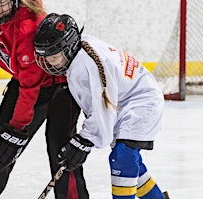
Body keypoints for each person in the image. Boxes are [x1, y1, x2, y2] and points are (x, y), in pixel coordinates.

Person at [0, 0, 89, 198]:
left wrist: (15, 132)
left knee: (62, 153)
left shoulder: (29, 27)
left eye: (0, 2)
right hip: (24, 83)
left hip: (60, 89)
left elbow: (30, 89)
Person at [33, 13, 170, 199]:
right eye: (46, 55)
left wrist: (85, 140)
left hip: (140, 102)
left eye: (54, 55)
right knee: (131, 166)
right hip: (127, 99)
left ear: (69, 46)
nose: (50, 61)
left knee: (122, 159)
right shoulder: (81, 49)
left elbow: (101, 107)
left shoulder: (86, 66)